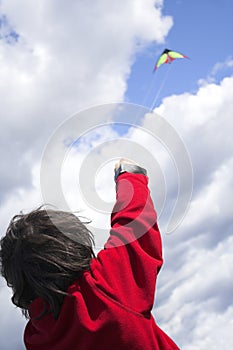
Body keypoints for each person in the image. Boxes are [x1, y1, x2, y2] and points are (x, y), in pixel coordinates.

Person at [0, 158, 179, 349]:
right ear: (74, 246)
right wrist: (129, 175)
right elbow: (135, 223)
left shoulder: (36, 340)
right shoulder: (106, 289)